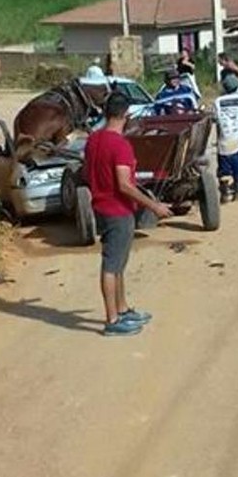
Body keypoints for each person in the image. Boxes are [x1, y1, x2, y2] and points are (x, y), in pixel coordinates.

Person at [84, 93, 173, 337]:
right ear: (126, 115)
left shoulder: (93, 140)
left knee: (119, 263)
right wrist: (154, 206)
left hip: (101, 207)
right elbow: (124, 184)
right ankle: (112, 320)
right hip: (117, 211)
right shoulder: (120, 145)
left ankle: (122, 310)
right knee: (112, 266)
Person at [213, 65, 238, 202]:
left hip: (224, 142)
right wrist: (236, 68)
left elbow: (217, 122)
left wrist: (218, 139)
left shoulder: (218, 102)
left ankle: (224, 192)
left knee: (224, 171)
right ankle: (237, 193)